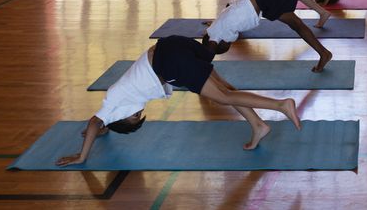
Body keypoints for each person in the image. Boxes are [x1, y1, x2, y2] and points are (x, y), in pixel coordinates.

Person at [55, 35, 302, 167]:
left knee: (224, 97)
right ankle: (258, 126)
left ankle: (281, 105)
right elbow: (101, 124)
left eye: (134, 118)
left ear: (121, 117)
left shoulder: (114, 103)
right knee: (227, 88)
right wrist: (103, 130)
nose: (137, 114)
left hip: (171, 62)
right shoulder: (121, 101)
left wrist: (82, 156)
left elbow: (93, 122)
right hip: (172, 45)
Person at [205, 0, 367, 72]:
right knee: (297, 25)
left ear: (219, 42)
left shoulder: (215, 36)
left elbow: (209, 51)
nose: (229, 45)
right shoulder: (216, 28)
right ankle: (324, 54)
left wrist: (202, 67)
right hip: (265, 5)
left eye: (225, 47)